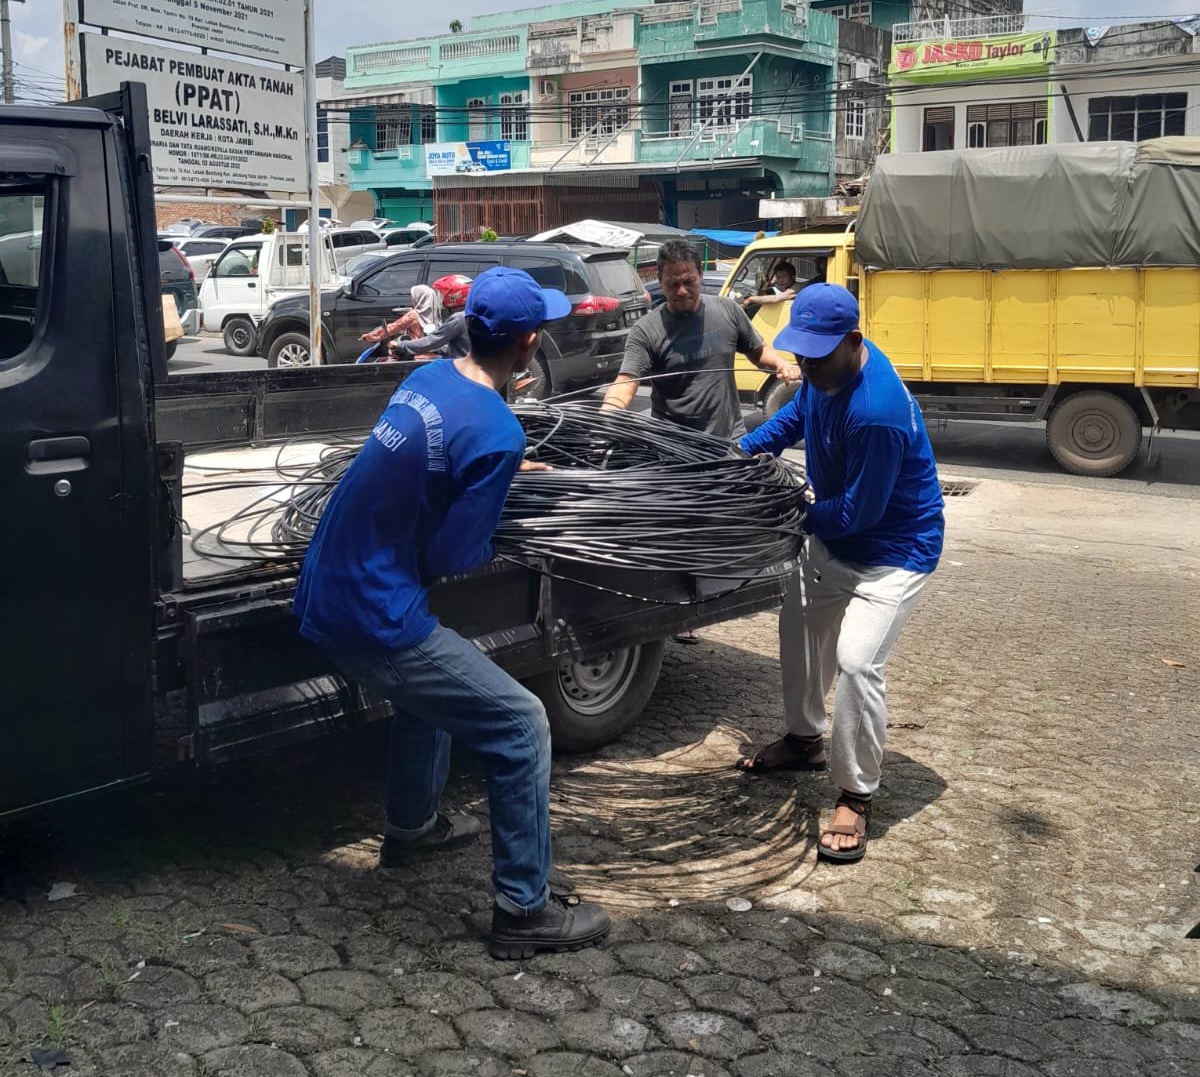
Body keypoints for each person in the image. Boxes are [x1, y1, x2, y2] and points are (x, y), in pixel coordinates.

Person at [295, 266, 611, 957]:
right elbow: (454, 555)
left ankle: (413, 830)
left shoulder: (427, 378)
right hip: (375, 613)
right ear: (529, 344)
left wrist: (492, 476)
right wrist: (499, 487)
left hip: (329, 585)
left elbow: (428, 463)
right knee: (523, 726)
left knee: (433, 692)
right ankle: (523, 913)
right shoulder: (498, 432)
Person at [735, 283, 944, 865]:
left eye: (816, 356)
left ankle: (855, 792)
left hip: (893, 552)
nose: (804, 365)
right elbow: (795, 417)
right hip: (832, 540)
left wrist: (787, 508)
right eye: (799, 354)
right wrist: (744, 451)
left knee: (855, 661)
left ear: (854, 342)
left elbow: (859, 513)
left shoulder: (877, 412)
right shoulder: (824, 374)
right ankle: (805, 741)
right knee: (799, 626)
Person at [601, 238, 799, 440]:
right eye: (673, 284)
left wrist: (781, 364)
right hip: (675, 447)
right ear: (660, 280)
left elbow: (758, 350)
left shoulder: (728, 310)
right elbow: (626, 381)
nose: (682, 291)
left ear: (700, 275)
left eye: (689, 282)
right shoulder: (646, 330)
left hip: (729, 439)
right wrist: (606, 417)